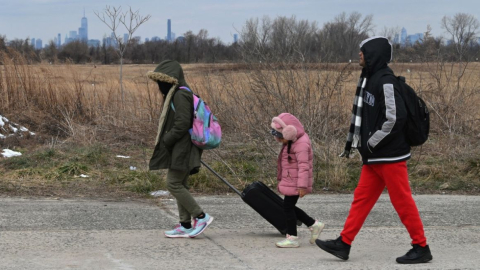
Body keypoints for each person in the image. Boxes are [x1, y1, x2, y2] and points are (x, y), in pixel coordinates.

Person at [315, 37, 432, 264]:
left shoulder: (385, 81)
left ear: (374, 54)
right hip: (375, 156)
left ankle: (421, 247)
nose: (359, 54)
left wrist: (370, 143)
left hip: (389, 155)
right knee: (361, 199)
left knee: (403, 202)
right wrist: (368, 147)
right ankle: (344, 243)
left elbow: (395, 117)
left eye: (363, 51)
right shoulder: (369, 78)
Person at [147, 60, 213, 238]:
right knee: (181, 184)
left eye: (161, 82)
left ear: (170, 81)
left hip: (183, 148)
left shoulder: (180, 95)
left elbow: (182, 123)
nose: (159, 86)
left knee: (173, 183)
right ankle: (185, 225)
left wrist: (166, 140)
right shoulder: (179, 93)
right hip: (181, 147)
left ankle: (201, 216)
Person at [270, 113, 325, 248]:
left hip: (296, 182)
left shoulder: (301, 144)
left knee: (287, 208)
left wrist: (302, 186)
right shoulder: (293, 141)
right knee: (288, 207)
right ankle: (313, 224)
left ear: (289, 133)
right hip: (291, 179)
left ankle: (293, 237)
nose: (278, 140)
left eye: (280, 137)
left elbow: (303, 166)